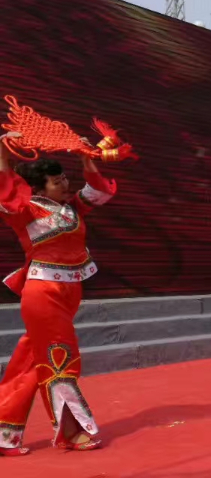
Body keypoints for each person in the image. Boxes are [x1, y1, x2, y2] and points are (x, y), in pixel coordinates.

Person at [0, 133, 118, 455]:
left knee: (29, 362)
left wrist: (85, 157)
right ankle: (71, 430)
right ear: (38, 188)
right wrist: (3, 150)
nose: (64, 184)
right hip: (44, 292)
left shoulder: (71, 208)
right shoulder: (25, 211)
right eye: (56, 181)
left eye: (64, 177)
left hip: (68, 293)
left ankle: (3, 434)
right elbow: (6, 187)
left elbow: (100, 191)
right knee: (60, 356)